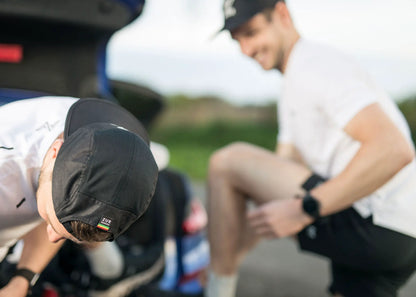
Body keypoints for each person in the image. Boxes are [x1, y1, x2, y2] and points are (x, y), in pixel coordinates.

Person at [205, 1, 416, 297]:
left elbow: (394, 149)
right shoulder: (294, 82)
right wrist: (227, 254)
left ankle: (216, 292)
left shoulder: (315, 66)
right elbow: (272, 189)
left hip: (375, 221)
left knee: (226, 163)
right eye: (236, 39)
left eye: (251, 32)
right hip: (400, 232)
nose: (245, 50)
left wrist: (305, 209)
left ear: (282, 14)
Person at [0, 97, 158, 297]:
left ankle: (110, 272)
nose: (51, 238)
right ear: (54, 154)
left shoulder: (113, 142)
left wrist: (21, 280)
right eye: (49, 219)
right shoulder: (6, 174)